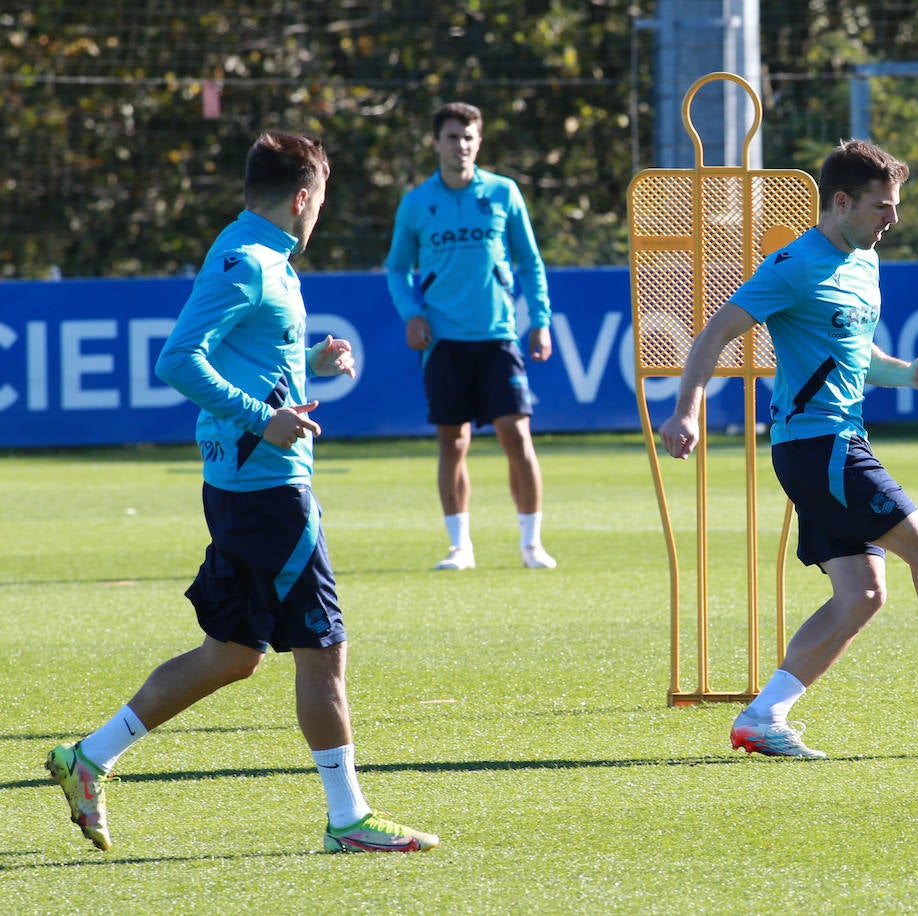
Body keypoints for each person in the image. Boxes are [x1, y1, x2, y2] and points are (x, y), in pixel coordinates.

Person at [46, 132, 439, 853]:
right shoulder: (251, 263)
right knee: (324, 649)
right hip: (267, 488)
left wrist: (310, 361)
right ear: (300, 198)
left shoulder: (253, 251)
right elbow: (177, 360)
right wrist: (266, 418)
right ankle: (347, 817)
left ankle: (88, 758)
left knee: (232, 655)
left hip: (245, 483)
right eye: (319, 201)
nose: (318, 214)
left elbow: (251, 357)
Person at [658, 139, 918, 758]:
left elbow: (858, 357)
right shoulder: (792, 266)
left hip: (834, 443)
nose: (893, 219)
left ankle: (762, 716)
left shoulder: (865, 263)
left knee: (861, 593)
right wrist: (685, 411)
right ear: (840, 202)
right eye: (882, 206)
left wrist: (908, 374)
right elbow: (715, 332)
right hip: (818, 445)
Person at [385, 101, 557, 572]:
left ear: (478, 142)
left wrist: (539, 318)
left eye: (468, 137)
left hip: (499, 336)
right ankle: (460, 546)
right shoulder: (418, 202)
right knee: (452, 441)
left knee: (516, 435)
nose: (460, 145)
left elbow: (529, 261)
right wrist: (412, 313)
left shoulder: (504, 193)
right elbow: (397, 268)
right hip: (444, 341)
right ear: (436, 142)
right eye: (451, 137)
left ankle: (531, 543)